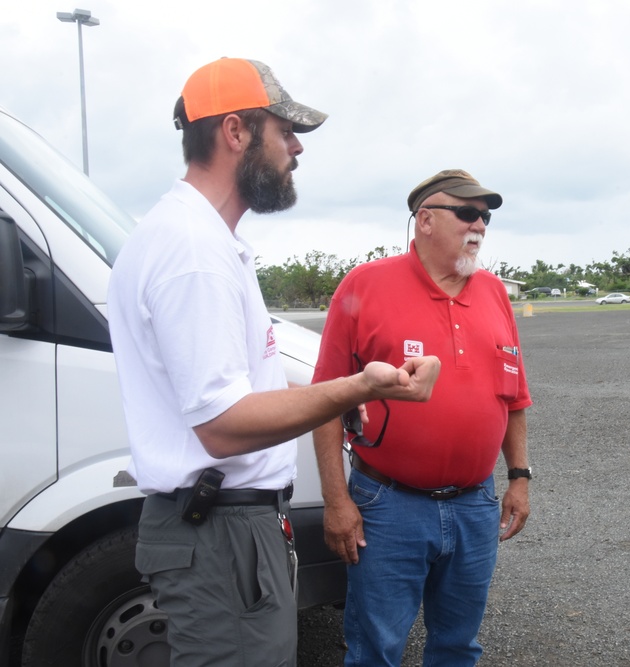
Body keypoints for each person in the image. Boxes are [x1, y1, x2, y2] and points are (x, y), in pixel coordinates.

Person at [107, 57, 440, 667]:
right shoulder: (193, 252)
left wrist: (351, 391)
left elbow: (244, 382)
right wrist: (355, 388)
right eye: (284, 130)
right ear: (235, 132)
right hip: (219, 533)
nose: (295, 148)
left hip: (225, 530)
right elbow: (224, 425)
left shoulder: (203, 240)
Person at [311, 169, 533, 666]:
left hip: (476, 506)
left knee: (458, 646)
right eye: (468, 213)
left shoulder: (495, 293)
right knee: (376, 650)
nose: (480, 225)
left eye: (486, 216)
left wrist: (518, 477)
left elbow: (514, 396)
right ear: (425, 220)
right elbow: (325, 401)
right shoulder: (365, 285)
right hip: (388, 507)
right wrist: (335, 500)